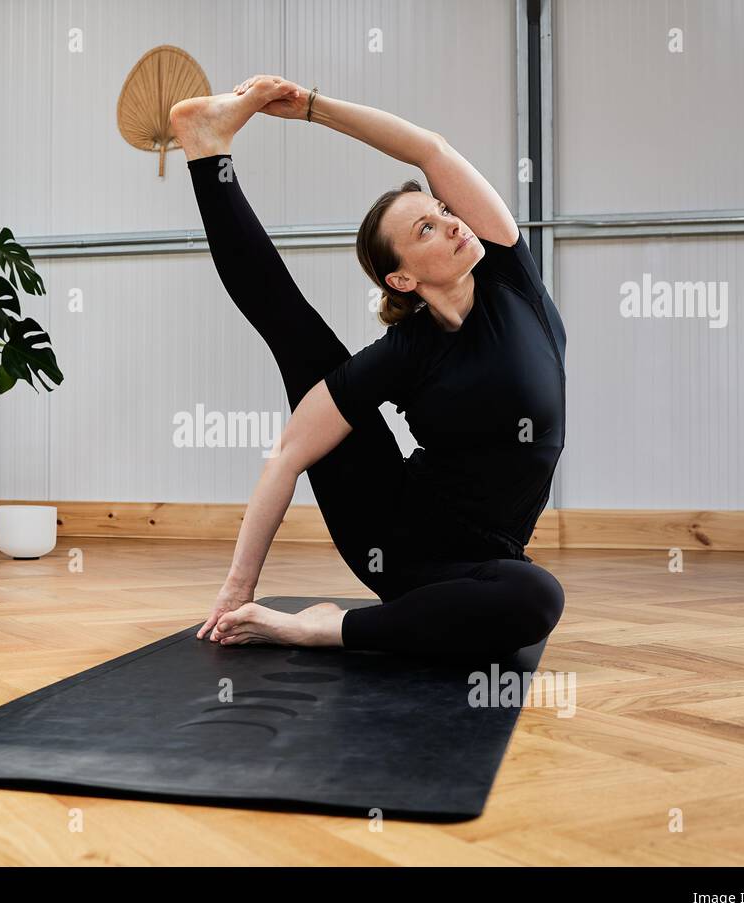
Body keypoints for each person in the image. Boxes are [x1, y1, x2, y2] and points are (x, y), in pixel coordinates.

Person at [169, 76, 566, 662]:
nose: (453, 222)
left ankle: (325, 628)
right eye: (425, 229)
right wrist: (237, 588)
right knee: (296, 331)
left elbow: (429, 150)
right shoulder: (407, 351)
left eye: (442, 211)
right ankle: (207, 150)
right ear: (402, 279)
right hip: (395, 539)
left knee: (531, 597)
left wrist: (309, 107)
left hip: (486, 560)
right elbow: (289, 456)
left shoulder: (511, 278)